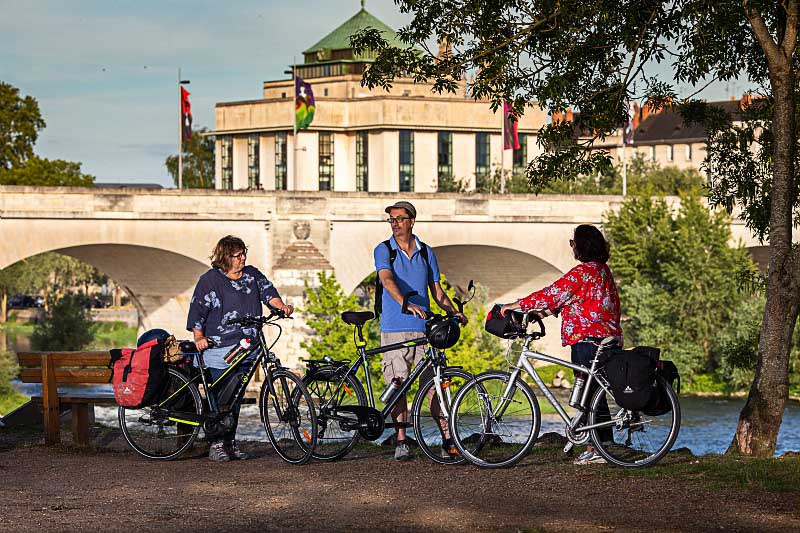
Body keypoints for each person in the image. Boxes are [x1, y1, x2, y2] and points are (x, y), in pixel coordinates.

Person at [499, 224, 622, 465]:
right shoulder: (602, 271)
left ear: (582, 245)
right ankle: (603, 444)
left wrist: (516, 305)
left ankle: (595, 450)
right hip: (606, 339)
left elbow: (553, 293)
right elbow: (572, 300)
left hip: (587, 340)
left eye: (573, 241)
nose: (571, 245)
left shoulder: (583, 272)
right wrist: (542, 314)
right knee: (595, 393)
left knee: (587, 394)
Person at [187, 235, 293, 462]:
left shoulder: (252, 275)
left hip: (248, 345)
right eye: (238, 255)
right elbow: (198, 309)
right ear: (226, 257)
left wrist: (281, 306)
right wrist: (198, 336)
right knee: (222, 396)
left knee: (236, 396)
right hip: (219, 347)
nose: (243, 257)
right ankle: (216, 443)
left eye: (244, 252)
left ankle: (230, 441)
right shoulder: (210, 280)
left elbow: (269, 293)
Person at [375, 201, 467, 461]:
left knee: (434, 387)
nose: (394, 223)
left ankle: (448, 439)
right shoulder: (384, 250)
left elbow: (437, 291)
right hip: (395, 328)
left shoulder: (427, 252)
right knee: (398, 385)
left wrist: (453, 312)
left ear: (411, 221)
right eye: (391, 219)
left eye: (399, 219)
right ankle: (402, 440)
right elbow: (386, 280)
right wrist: (406, 303)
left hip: (426, 331)